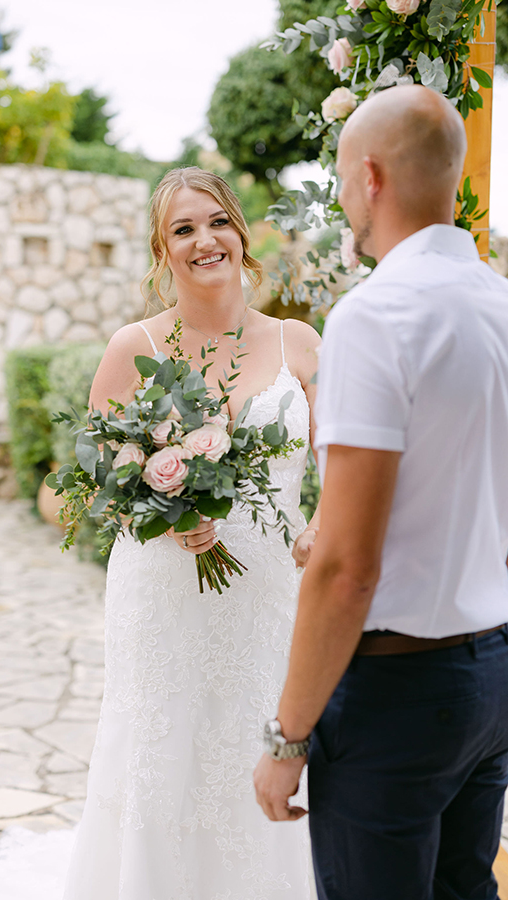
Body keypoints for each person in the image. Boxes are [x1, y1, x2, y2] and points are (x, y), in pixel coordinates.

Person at [253, 84, 508, 899]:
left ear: (368, 177)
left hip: (398, 695)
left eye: (336, 176)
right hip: (493, 679)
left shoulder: (374, 317)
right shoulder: (501, 306)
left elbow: (347, 570)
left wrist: (286, 738)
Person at [61, 167, 322, 899]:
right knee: (163, 748)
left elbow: (343, 467)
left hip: (272, 592)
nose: (204, 240)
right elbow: (106, 475)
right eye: (182, 229)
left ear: (240, 232)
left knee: (256, 742)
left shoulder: (300, 343)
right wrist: (165, 511)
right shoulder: (132, 347)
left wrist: (323, 529)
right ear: (162, 251)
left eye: (215, 222)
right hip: (164, 594)